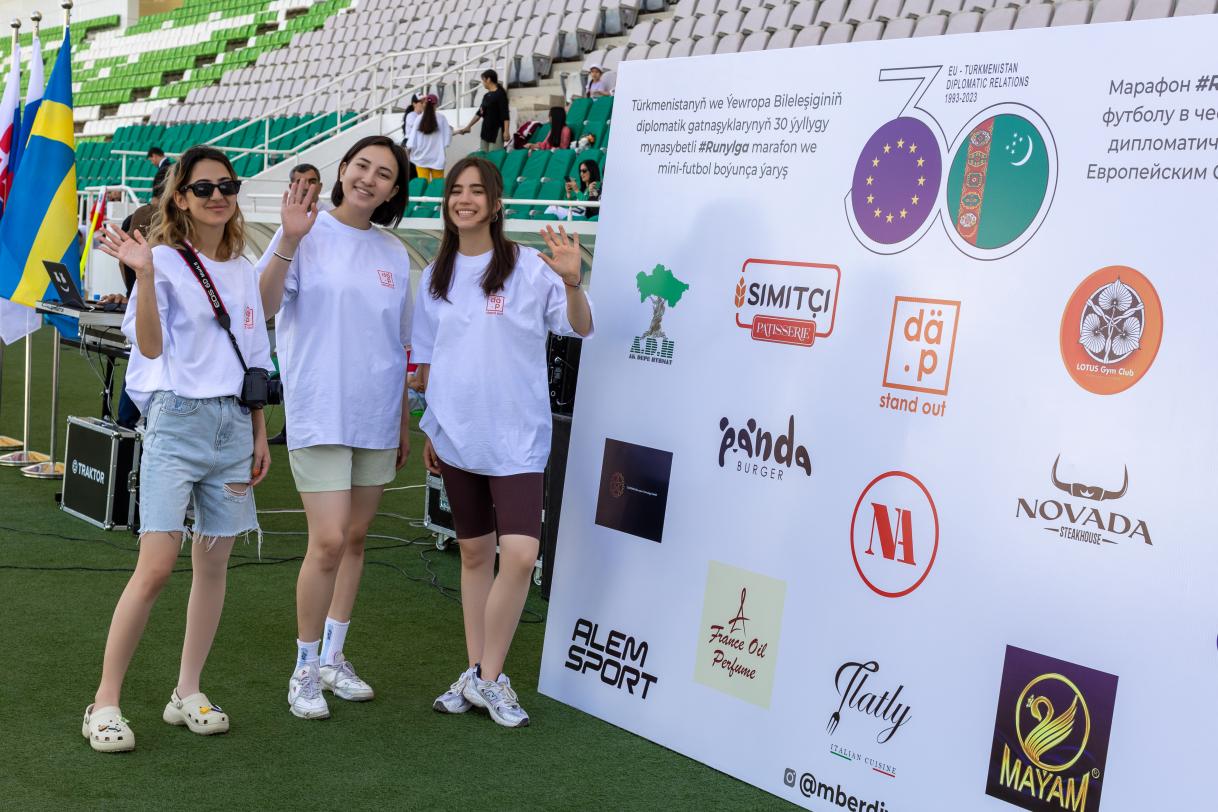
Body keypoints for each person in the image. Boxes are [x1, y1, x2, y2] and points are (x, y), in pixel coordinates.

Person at [83, 146, 272, 753]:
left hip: (233, 426)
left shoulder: (242, 269)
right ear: (180, 198)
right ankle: (105, 701)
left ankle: (187, 690)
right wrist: (142, 274)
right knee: (157, 566)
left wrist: (260, 432)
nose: (218, 195)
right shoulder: (160, 259)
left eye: (228, 185)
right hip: (176, 422)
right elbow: (152, 347)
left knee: (213, 564)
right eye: (203, 188)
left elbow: (256, 356)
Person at [413, 156, 593, 728]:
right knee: (472, 554)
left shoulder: (528, 267)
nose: (464, 199)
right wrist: (428, 425)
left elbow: (580, 327)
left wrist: (571, 281)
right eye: (455, 191)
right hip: (454, 435)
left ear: (495, 203)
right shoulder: (434, 273)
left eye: (476, 191)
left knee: (518, 556)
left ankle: (487, 678)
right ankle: (478, 672)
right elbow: (427, 361)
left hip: (516, 437)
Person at [257, 134, 414, 721]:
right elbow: (265, 307)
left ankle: (333, 656)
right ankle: (302, 669)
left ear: (394, 191)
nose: (369, 178)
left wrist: (401, 422)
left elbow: (398, 346)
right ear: (343, 169)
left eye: (384, 174)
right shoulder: (304, 231)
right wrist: (290, 239)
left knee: (353, 540)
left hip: (376, 416)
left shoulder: (395, 254)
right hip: (321, 410)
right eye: (361, 166)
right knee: (325, 542)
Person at [457, 70, 510, 152]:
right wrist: (468, 126)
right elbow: (480, 113)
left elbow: (505, 114)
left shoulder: (500, 94)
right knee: (484, 156)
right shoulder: (486, 96)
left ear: (488, 79)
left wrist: (506, 131)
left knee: (494, 156)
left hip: (496, 130)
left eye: (483, 80)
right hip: (485, 130)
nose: (483, 83)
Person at [407, 94, 453, 181]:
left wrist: (409, 153)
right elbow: (447, 140)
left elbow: (411, 140)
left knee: (423, 185)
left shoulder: (418, 119)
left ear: (424, 104)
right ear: (436, 105)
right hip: (437, 158)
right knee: (438, 186)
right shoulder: (442, 118)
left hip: (421, 158)